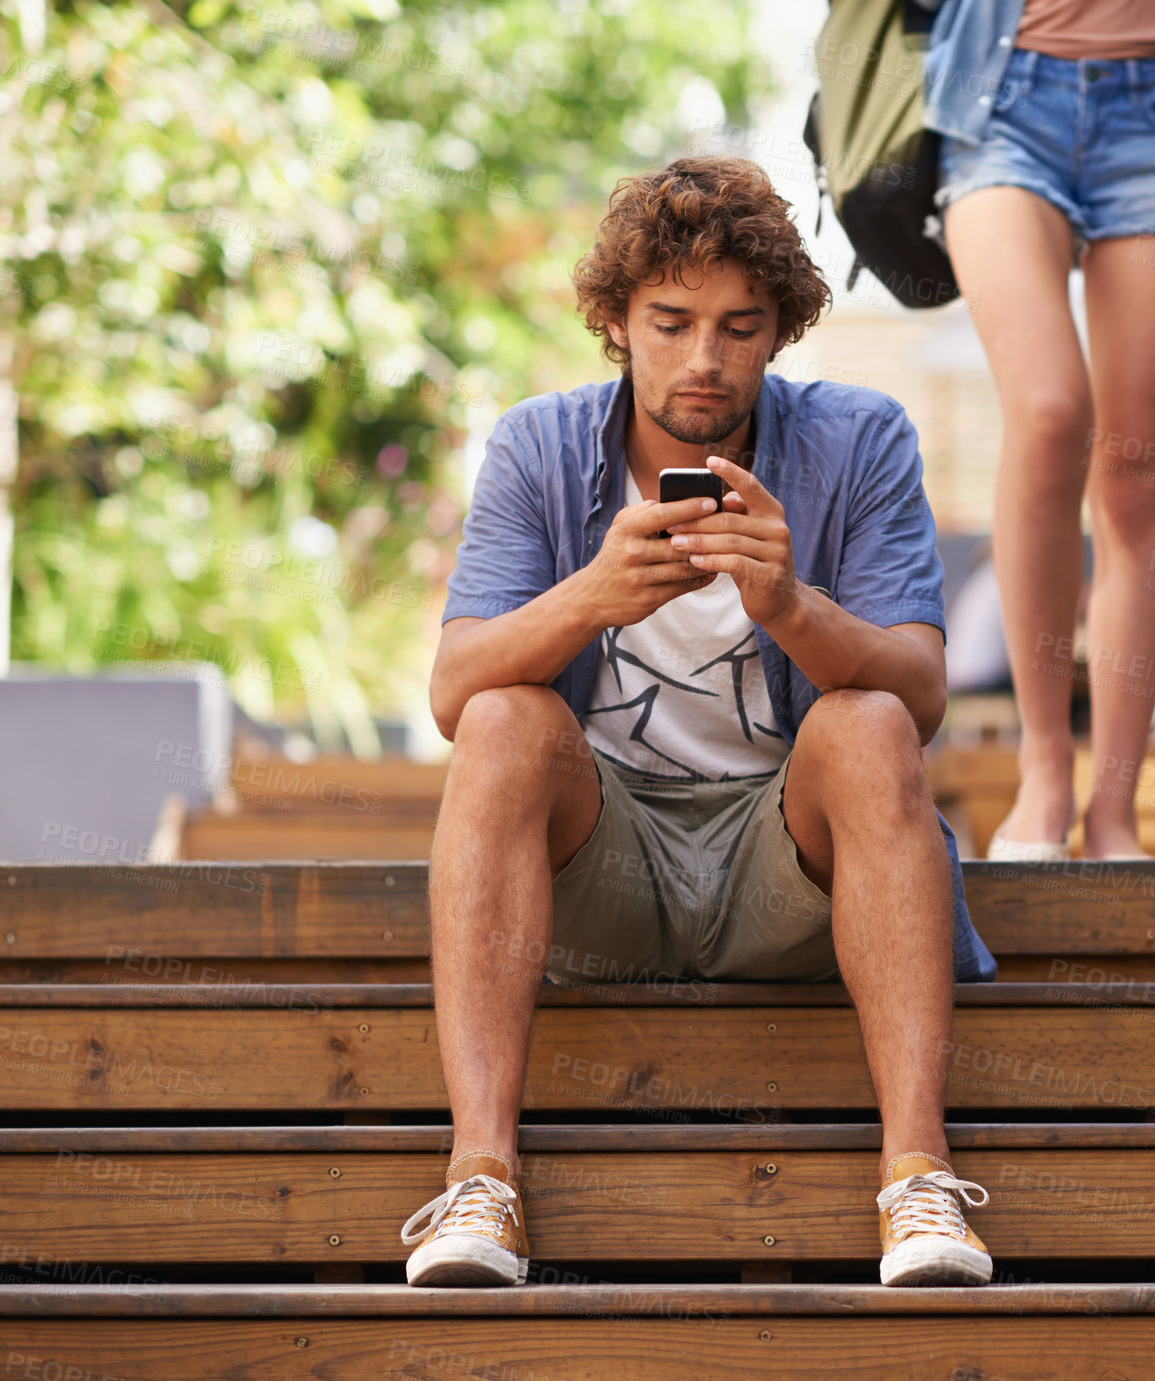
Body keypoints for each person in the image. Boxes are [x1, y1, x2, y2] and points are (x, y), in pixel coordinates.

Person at [398, 156, 997, 1292]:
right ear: (616, 321)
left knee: (864, 723)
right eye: (670, 322)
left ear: (780, 332)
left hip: (788, 872)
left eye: (740, 326)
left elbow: (919, 694)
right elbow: (450, 690)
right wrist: (593, 596)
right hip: (602, 871)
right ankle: (481, 1177)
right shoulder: (539, 445)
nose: (705, 359)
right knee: (503, 723)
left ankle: (917, 1179)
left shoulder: (859, 439)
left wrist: (789, 608)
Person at [918, 0, 1155, 861]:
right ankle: (1043, 771)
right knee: (1048, 414)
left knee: (1131, 468)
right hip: (1000, 100)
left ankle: (1115, 808)